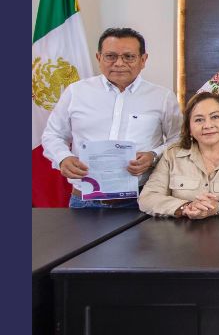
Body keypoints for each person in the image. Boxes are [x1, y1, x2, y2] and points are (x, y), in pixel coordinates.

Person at [42, 27, 182, 209]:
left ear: (143, 60)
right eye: (110, 56)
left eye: (129, 56)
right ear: (98, 58)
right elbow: (52, 135)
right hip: (84, 200)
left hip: (141, 200)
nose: (119, 63)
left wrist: (153, 156)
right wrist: (63, 158)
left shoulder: (162, 97)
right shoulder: (76, 92)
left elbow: (179, 139)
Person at [138, 92, 219, 217]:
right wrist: (186, 207)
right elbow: (147, 198)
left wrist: (218, 208)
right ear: (189, 128)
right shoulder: (172, 155)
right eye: (199, 120)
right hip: (182, 227)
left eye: (215, 117)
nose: (207, 125)